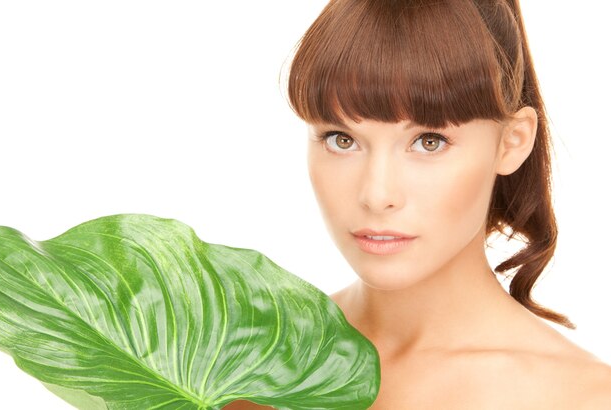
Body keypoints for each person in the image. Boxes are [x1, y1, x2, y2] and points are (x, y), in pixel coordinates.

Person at [225, 0, 611, 409]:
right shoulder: (245, 368)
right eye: (342, 139)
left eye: (430, 141)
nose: (376, 195)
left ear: (511, 142)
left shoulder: (584, 397)